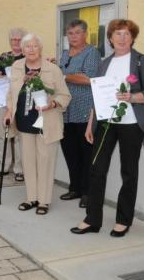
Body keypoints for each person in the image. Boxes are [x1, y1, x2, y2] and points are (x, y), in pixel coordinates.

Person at [71, 19, 144, 237]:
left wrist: (133, 97)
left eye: (126, 34)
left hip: (131, 124)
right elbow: (97, 94)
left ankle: (123, 220)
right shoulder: (104, 63)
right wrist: (91, 124)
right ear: (110, 38)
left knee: (129, 172)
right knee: (96, 170)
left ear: (132, 38)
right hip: (106, 123)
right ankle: (92, 219)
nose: (122, 38)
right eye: (117, 34)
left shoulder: (141, 61)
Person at [4, 33, 71, 215]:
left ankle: (44, 201)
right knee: (28, 162)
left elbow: (64, 95)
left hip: (46, 122)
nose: (31, 49)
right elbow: (11, 93)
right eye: (27, 46)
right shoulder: (17, 67)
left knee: (45, 161)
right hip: (24, 122)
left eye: (35, 46)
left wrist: (53, 104)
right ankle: (31, 198)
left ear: (40, 49)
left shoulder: (52, 69)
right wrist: (9, 112)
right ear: (22, 49)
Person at [58, 20, 101, 208]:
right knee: (70, 152)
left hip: (85, 111)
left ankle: (88, 193)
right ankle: (75, 187)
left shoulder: (92, 52)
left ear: (85, 34)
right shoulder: (65, 54)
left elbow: (89, 78)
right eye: (70, 33)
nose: (73, 36)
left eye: (77, 33)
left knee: (86, 154)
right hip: (65, 111)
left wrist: (64, 75)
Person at [0, 27, 27, 181]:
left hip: (22, 100)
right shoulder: (5, 56)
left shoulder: (28, 56)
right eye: (13, 39)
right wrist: (11, 79)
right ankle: (3, 166)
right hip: (4, 99)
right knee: (3, 134)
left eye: (19, 39)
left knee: (19, 136)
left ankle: (19, 169)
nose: (16, 42)